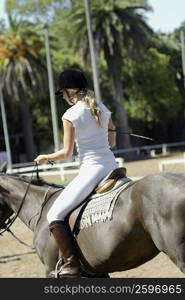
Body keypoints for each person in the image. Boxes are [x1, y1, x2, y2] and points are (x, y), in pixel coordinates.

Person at [34, 67, 118, 277]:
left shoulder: (71, 114)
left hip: (92, 171)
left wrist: (46, 157)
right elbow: (112, 141)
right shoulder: (102, 107)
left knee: (54, 214)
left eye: (62, 92)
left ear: (71, 91)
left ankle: (71, 264)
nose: (63, 96)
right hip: (112, 166)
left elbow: (67, 152)